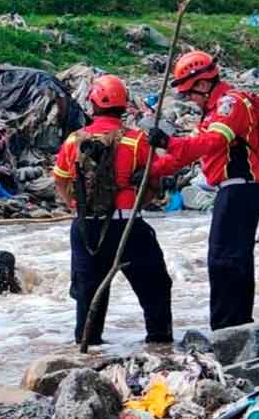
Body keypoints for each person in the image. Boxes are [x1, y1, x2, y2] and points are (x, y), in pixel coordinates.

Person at [147, 51, 259, 330]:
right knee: (229, 258)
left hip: (241, 187)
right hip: (232, 190)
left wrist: (169, 141)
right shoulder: (211, 113)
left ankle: (229, 328)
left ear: (202, 84)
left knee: (225, 260)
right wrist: (151, 169)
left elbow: (212, 142)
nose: (190, 99)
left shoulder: (230, 105)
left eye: (190, 93)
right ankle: (234, 327)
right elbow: (186, 154)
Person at [52, 75, 176, 345]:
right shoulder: (136, 141)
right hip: (128, 226)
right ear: (123, 105)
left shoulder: (74, 141)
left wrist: (76, 206)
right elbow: (153, 184)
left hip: (86, 229)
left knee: (88, 297)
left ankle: (86, 351)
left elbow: (60, 182)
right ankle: (161, 347)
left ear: (93, 103)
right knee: (155, 289)